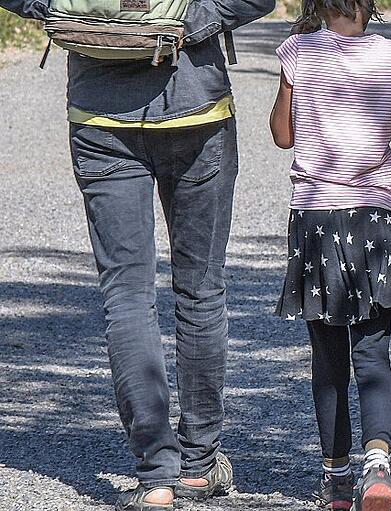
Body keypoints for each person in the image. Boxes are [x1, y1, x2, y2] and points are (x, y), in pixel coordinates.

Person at [0, 0, 274, 508]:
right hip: (197, 107)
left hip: (99, 114)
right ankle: (198, 464)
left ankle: (157, 476)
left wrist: (60, 12)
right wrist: (187, 25)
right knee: (200, 291)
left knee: (126, 298)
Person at [268, 1, 391, 509]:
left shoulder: (298, 51)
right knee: (373, 349)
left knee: (327, 356)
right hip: (375, 219)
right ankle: (378, 464)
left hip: (316, 218)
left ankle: (336, 478)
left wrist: (294, 72)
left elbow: (282, 135)